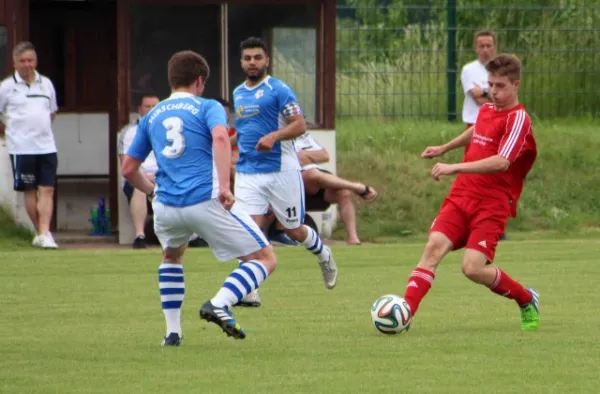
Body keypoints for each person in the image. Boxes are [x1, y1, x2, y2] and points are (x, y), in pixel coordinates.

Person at [122, 50, 277, 346]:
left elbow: (128, 168)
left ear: (172, 80)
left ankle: (172, 332)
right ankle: (220, 303)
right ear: (200, 80)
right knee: (264, 258)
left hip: (166, 206)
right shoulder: (208, 107)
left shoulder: (151, 115)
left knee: (171, 256)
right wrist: (224, 187)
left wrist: (152, 191)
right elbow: (221, 138)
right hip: (203, 200)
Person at [400, 54, 539, 331]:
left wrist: (455, 167)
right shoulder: (488, 109)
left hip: (492, 204)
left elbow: (502, 161)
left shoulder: (518, 119)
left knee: (472, 268)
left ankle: (525, 299)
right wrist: (444, 148)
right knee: (432, 249)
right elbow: (477, 131)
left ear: (515, 85)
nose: (494, 92)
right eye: (491, 85)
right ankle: (404, 315)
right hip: (461, 196)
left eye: (500, 86)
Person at [232, 36, 337, 290]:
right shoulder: (237, 93)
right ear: (241, 62)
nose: (253, 62)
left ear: (267, 60)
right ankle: (250, 290)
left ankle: (324, 255)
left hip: (281, 171)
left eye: (258, 57)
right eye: (247, 58)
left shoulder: (279, 90)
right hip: (248, 173)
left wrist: (274, 137)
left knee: (294, 229)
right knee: (248, 231)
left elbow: (299, 125)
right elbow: (244, 130)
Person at [0, 41, 59, 249]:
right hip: (21, 147)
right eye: (23, 61)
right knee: (30, 190)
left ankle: (44, 232)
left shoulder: (46, 84)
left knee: (48, 189)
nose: (27, 65)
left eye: (31, 60)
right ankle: (41, 232)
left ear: (36, 61)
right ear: (15, 63)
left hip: (46, 145)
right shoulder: (6, 87)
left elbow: (52, 113)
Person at [461, 30, 507, 241]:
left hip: (499, 126)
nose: (485, 50)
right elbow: (478, 99)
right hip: (476, 125)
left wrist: (485, 92)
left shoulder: (503, 70)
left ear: (495, 46)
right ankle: (471, 223)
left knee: (497, 175)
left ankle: (495, 224)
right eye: (481, 46)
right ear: (475, 48)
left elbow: (496, 98)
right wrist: (492, 95)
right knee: (473, 176)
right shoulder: (469, 70)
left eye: (489, 45)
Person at [118, 93, 160, 248]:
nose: (151, 110)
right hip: (137, 177)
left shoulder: (168, 129)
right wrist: (144, 176)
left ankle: (192, 237)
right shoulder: (128, 132)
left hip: (163, 177)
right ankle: (140, 236)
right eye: (147, 106)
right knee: (140, 187)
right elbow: (126, 166)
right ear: (140, 109)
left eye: (154, 106)